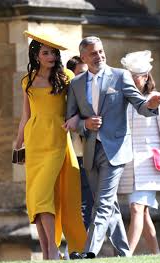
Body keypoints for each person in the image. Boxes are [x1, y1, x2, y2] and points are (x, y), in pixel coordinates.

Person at [64, 36, 160, 259]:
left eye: (101, 51)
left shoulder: (120, 76)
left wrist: (151, 106)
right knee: (111, 207)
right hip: (90, 151)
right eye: (93, 53)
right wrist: (84, 124)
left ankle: (89, 253)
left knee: (102, 203)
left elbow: (140, 105)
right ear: (83, 57)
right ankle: (125, 255)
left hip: (115, 150)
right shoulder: (76, 83)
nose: (99, 56)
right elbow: (70, 118)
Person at [14, 30, 87, 260]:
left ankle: (54, 250)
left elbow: (77, 108)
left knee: (44, 194)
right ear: (36, 55)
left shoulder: (65, 76)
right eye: (46, 53)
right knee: (35, 198)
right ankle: (47, 254)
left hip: (57, 141)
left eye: (53, 53)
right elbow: (25, 116)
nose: (52, 57)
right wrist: (18, 146)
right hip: (34, 143)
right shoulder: (27, 80)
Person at [119, 50, 160, 255]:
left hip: (149, 162)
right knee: (143, 213)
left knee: (136, 208)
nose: (134, 81)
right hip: (129, 162)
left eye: (137, 77)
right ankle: (157, 254)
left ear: (146, 77)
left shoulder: (157, 98)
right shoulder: (124, 99)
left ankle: (124, 255)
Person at [66, 56, 93, 231]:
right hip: (73, 156)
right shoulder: (65, 97)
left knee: (91, 202)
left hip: (91, 154)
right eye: (81, 74)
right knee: (81, 204)